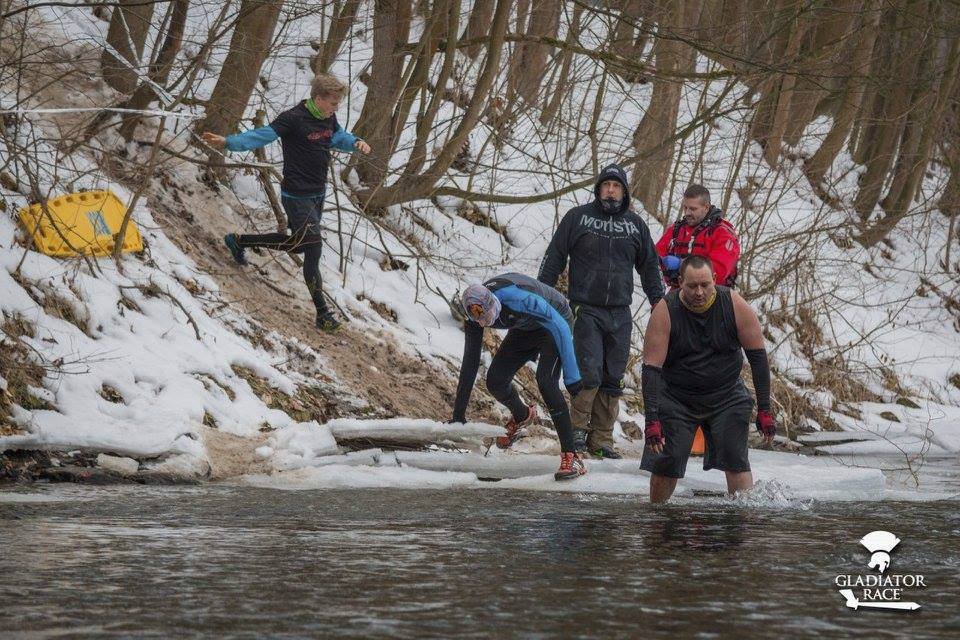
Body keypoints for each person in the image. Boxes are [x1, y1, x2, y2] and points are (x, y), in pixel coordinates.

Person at [201, 74, 371, 332]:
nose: (336, 109)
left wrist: (354, 142)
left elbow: (336, 137)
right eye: (334, 104)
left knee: (298, 245)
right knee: (313, 248)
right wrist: (229, 142)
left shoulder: (328, 118)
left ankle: (239, 241)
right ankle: (323, 314)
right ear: (319, 98)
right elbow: (263, 135)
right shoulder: (293, 118)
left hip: (317, 193)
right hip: (297, 194)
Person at [538, 164, 664, 460]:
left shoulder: (635, 225)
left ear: (624, 191)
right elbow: (555, 256)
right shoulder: (578, 218)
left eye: (616, 186)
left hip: (621, 312)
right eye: (606, 185)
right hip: (585, 308)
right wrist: (541, 293)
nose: (610, 190)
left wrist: (659, 302)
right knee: (589, 372)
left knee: (613, 376)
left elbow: (648, 267)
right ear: (598, 190)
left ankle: (602, 440)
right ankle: (577, 433)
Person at [639, 255, 775, 503]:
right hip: (677, 397)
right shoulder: (665, 311)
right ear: (680, 282)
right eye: (692, 286)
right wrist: (652, 420)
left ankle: (740, 522)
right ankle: (656, 518)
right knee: (666, 462)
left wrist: (765, 408)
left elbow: (757, 357)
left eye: (705, 285)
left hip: (726, 394)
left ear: (714, 280)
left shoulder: (734, 304)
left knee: (736, 461)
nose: (699, 292)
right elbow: (651, 369)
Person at [450, 272, 586, 481]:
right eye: (480, 319)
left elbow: (558, 324)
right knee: (495, 380)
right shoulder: (474, 317)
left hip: (555, 320)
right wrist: (458, 416)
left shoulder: (516, 297)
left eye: (488, 317)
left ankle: (572, 455)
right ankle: (522, 415)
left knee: (546, 383)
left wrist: (572, 377)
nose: (485, 323)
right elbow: (470, 360)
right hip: (525, 327)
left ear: (493, 302)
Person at [655, 184, 739, 290]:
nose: (687, 213)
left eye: (693, 209)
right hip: (679, 293)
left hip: (713, 296)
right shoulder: (676, 230)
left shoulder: (723, 234)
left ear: (706, 207)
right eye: (685, 208)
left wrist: (682, 264)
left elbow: (719, 270)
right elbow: (654, 256)